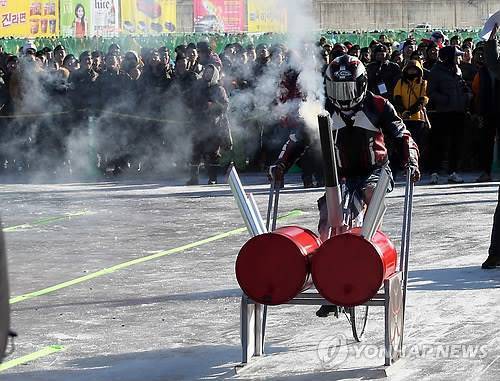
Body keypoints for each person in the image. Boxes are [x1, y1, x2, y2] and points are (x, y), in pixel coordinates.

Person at [269, 55, 420, 316]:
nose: (344, 97)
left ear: (361, 84)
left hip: (376, 171)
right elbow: (298, 139)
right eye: (338, 89)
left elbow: (402, 134)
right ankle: (328, 275)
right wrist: (281, 164)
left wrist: (411, 160)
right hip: (340, 175)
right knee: (328, 216)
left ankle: (367, 260)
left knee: (370, 201)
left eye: (349, 88)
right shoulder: (323, 109)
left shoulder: (379, 105)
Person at [427, 46, 472, 185]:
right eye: (456, 56)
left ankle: (453, 172)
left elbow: (462, 86)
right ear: (448, 57)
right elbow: (431, 92)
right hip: (442, 112)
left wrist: (466, 95)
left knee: (456, 143)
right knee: (439, 143)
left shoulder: (458, 70)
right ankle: (434, 172)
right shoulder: (436, 71)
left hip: (458, 111)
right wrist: (445, 100)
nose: (458, 58)